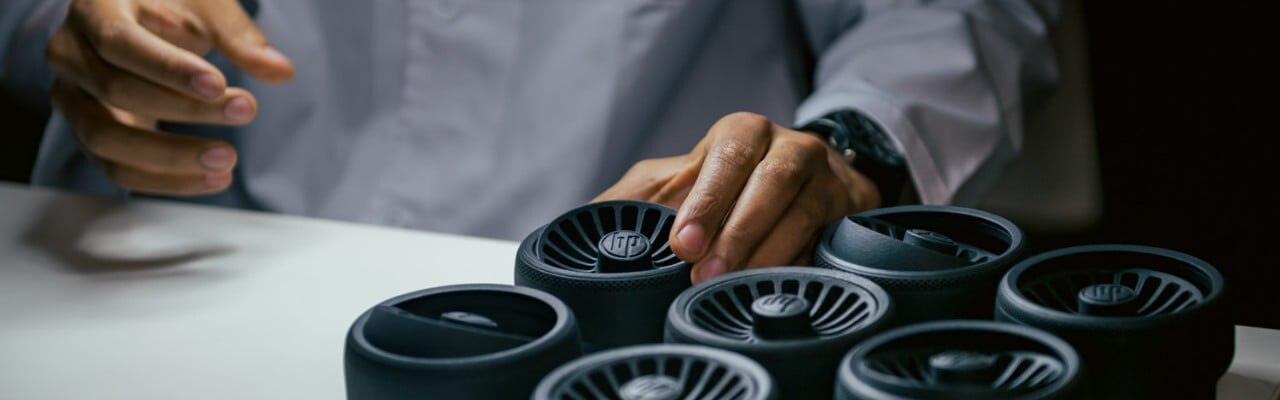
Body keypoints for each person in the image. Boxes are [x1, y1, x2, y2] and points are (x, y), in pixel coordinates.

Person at [0, 0, 1058, 282]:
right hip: (187, 249)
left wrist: (844, 148)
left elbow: (948, 11)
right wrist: (78, 23)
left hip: (649, 287)